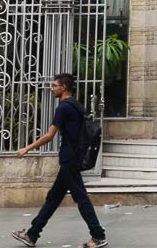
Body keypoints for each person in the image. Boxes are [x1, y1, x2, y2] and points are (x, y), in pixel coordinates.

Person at [11, 73, 107, 248]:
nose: (52, 88)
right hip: (73, 156)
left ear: (63, 87)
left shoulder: (63, 108)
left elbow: (49, 135)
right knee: (53, 198)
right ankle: (32, 234)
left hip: (69, 159)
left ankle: (98, 235)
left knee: (81, 197)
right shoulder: (76, 105)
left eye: (55, 85)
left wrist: (27, 148)